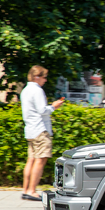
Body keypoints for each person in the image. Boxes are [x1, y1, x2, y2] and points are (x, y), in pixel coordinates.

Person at [20, 65, 65, 201]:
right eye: (44, 77)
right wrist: (54, 106)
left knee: (31, 160)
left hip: (30, 130)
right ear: (37, 77)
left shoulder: (25, 90)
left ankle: (25, 189)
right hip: (40, 130)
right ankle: (32, 191)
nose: (45, 80)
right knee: (40, 160)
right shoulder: (37, 90)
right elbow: (42, 110)